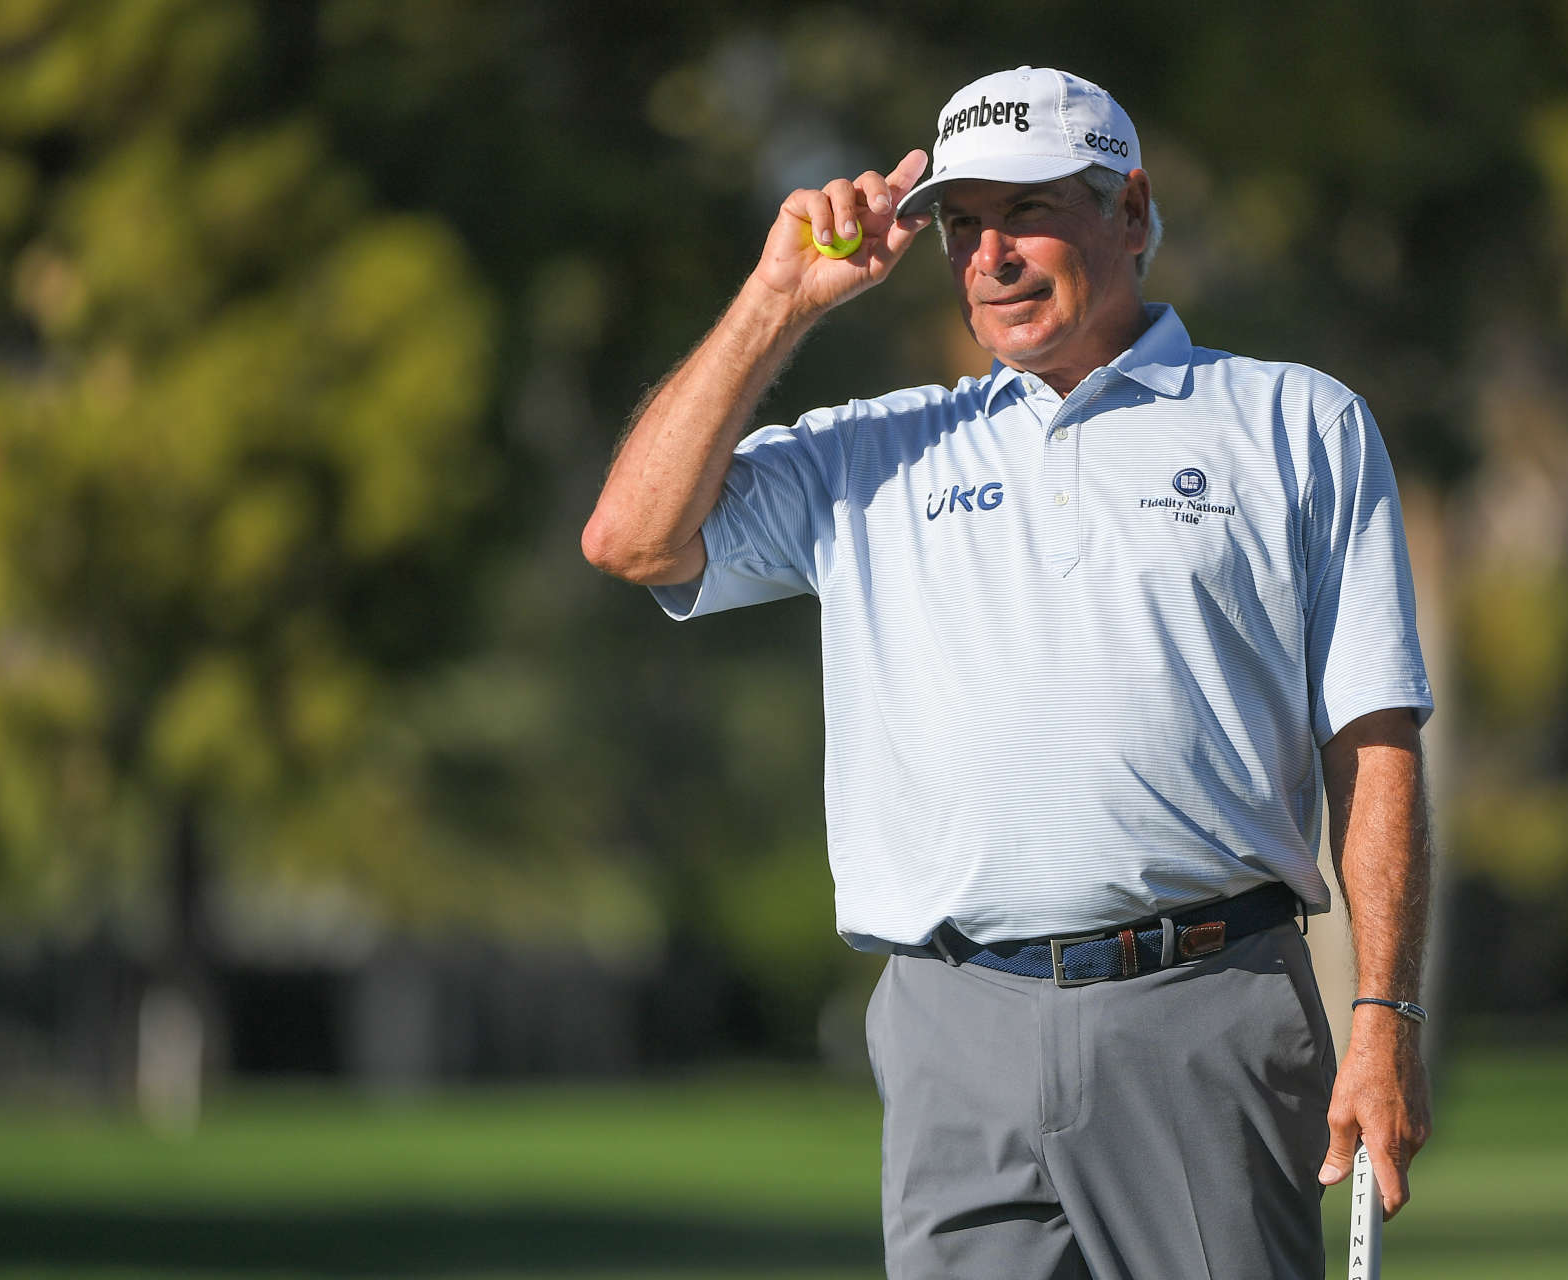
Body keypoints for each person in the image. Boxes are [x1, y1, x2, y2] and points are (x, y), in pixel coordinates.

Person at [584, 66, 1434, 1279]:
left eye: (1028, 212)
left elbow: (1377, 742)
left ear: (1131, 212)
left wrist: (1381, 1015)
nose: (991, 255)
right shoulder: (873, 454)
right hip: (951, 1026)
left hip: (1202, 1003)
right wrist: (779, 301)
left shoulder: (1296, 425)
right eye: (963, 225)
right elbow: (633, 535)